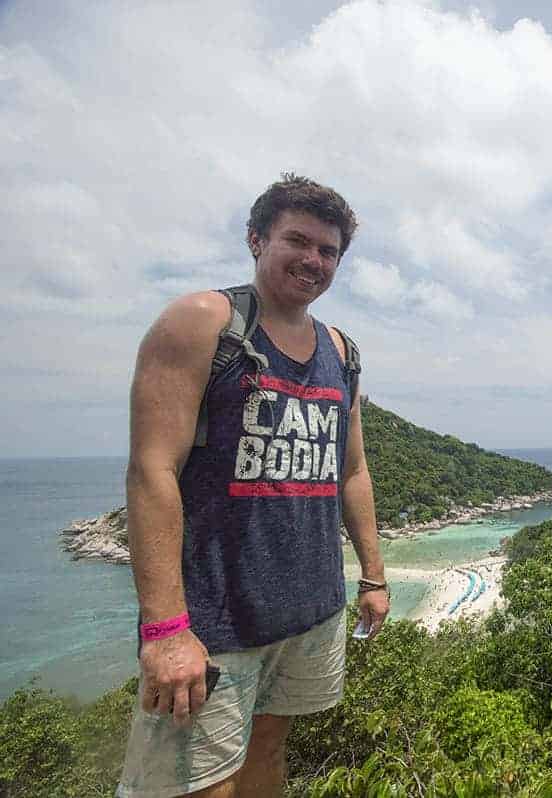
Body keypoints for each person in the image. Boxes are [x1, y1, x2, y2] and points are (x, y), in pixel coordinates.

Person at [116, 174, 389, 797]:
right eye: (298, 240)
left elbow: (352, 471)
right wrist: (164, 628)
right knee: (199, 782)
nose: (314, 260)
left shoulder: (340, 350)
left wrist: (372, 575)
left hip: (310, 608)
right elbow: (151, 470)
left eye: (329, 251)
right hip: (214, 618)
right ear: (256, 240)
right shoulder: (203, 323)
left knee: (268, 751)